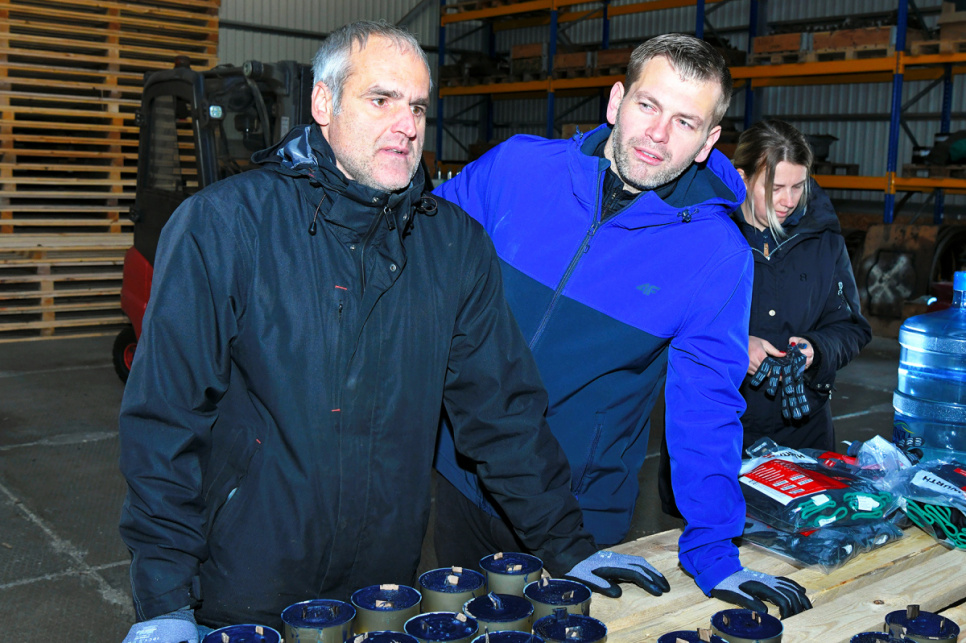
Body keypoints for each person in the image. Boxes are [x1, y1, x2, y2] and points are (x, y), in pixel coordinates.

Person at [118, 21, 659, 642]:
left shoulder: (453, 246)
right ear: (324, 103)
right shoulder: (225, 225)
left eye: (418, 107)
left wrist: (568, 547)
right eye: (381, 100)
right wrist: (164, 601)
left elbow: (502, 416)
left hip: (382, 591)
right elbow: (165, 421)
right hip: (247, 582)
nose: (406, 125)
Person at [432, 34, 811, 618]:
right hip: (456, 476)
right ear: (616, 101)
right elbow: (417, 248)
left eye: (685, 122)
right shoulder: (516, 168)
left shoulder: (714, 255)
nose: (658, 134)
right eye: (648, 105)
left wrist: (714, 548)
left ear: (708, 142)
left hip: (579, 508)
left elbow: (707, 407)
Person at [731, 119, 872, 451]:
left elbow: (851, 327)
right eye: (776, 188)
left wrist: (817, 349)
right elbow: (672, 324)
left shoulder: (824, 241)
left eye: (798, 186)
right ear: (742, 178)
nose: (789, 200)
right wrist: (733, 345)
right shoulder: (710, 236)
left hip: (804, 428)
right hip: (723, 425)